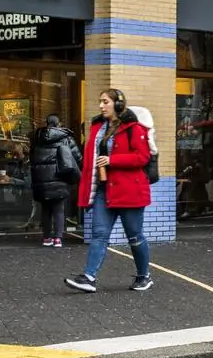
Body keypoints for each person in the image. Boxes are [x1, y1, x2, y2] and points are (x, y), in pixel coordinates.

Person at [66, 89, 154, 294]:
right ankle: (88, 278)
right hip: (103, 190)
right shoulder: (98, 128)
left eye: (105, 102)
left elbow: (142, 157)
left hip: (129, 191)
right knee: (99, 234)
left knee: (135, 236)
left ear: (118, 104)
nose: (101, 106)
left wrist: (112, 160)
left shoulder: (135, 128)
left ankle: (144, 276)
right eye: (100, 101)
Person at [27, 113, 81, 247]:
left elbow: (32, 157)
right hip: (59, 178)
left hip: (41, 179)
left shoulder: (37, 138)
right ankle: (58, 238)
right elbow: (77, 156)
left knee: (46, 209)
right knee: (59, 209)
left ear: (47, 123)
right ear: (58, 124)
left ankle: (46, 238)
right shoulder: (65, 137)